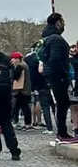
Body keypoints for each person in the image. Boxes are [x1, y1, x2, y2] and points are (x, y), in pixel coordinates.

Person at [39, 13, 74, 141]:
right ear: (58, 23)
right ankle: (62, 133)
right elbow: (55, 59)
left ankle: (62, 132)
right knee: (62, 103)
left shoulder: (48, 38)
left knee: (62, 104)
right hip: (58, 77)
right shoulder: (56, 39)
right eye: (62, 22)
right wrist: (63, 75)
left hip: (54, 76)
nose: (64, 25)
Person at [25, 42, 54, 132]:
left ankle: (34, 121)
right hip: (44, 84)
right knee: (45, 105)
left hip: (33, 84)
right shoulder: (44, 58)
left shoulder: (28, 58)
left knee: (34, 102)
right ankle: (43, 123)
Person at [10, 51, 32, 129]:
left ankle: (25, 123)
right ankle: (26, 123)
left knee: (22, 107)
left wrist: (12, 69)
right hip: (25, 89)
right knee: (22, 107)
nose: (11, 61)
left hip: (21, 90)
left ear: (17, 59)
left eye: (12, 59)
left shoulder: (20, 66)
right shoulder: (25, 65)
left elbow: (15, 76)